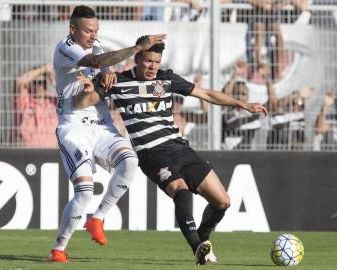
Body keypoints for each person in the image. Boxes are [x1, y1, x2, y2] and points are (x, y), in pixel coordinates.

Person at [73, 37, 267, 265]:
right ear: (137, 59)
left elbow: (207, 95)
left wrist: (242, 104)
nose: (153, 67)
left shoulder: (167, 79)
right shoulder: (118, 81)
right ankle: (196, 248)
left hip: (180, 149)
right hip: (151, 155)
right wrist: (87, 91)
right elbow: (81, 103)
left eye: (157, 61)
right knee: (181, 191)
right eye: (148, 61)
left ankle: (203, 240)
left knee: (222, 202)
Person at [49, 5, 166, 263]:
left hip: (101, 124)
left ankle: (98, 218)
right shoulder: (65, 48)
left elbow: (104, 68)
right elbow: (96, 63)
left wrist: (109, 74)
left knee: (130, 161)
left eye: (96, 30)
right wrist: (136, 49)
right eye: (88, 31)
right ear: (73, 29)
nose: (93, 35)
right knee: (85, 192)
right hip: (74, 127)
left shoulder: (98, 46)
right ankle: (59, 248)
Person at [14, 64, 58, 148]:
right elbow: (19, 82)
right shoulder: (25, 100)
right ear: (30, 83)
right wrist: (44, 69)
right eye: (36, 82)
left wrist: (54, 81)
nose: (40, 86)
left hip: (50, 152)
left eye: (43, 83)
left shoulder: (54, 100)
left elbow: (69, 93)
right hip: (27, 152)